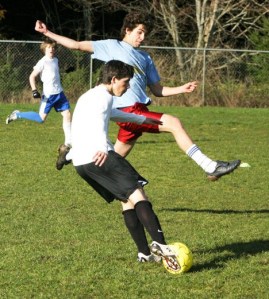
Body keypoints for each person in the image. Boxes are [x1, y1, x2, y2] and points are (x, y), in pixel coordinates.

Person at [34, 13, 240, 180]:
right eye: (139, 32)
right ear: (128, 30)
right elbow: (77, 45)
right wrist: (48, 32)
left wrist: (181, 88)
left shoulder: (146, 57)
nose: (142, 37)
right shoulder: (111, 46)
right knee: (174, 123)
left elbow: (158, 90)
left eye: (145, 34)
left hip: (137, 112)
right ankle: (209, 166)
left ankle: (70, 155)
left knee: (111, 158)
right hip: (128, 111)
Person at [69, 59, 180, 269]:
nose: (128, 87)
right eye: (126, 82)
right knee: (138, 193)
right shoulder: (103, 97)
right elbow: (101, 118)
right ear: (113, 79)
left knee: (126, 199)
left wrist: (143, 120)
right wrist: (102, 147)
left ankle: (144, 253)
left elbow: (112, 114)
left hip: (81, 163)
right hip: (99, 156)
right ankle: (161, 245)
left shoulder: (89, 96)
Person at [5, 39, 72, 169]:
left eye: (53, 47)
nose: (51, 49)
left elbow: (54, 75)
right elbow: (32, 76)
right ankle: (18, 114)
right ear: (44, 49)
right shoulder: (42, 62)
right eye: (48, 48)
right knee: (41, 119)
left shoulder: (56, 60)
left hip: (60, 94)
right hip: (48, 96)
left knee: (68, 114)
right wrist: (34, 90)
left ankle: (68, 141)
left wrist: (67, 71)